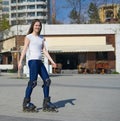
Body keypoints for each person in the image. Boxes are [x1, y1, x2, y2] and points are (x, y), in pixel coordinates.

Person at [18, 19, 58, 112]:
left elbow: (44, 50)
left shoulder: (41, 38)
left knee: (47, 81)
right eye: (36, 25)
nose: (37, 27)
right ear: (33, 26)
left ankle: (46, 103)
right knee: (33, 82)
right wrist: (20, 61)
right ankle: (26, 103)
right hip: (33, 61)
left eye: (39, 25)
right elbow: (24, 50)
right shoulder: (29, 37)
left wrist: (52, 61)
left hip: (40, 62)